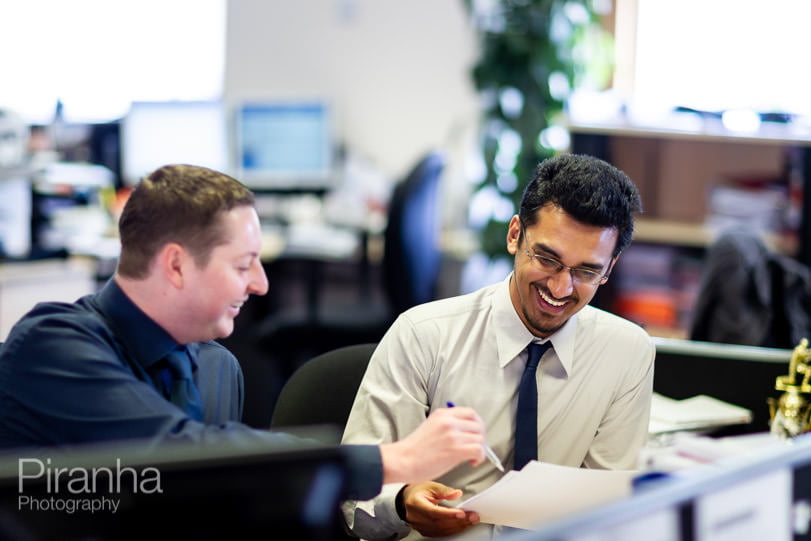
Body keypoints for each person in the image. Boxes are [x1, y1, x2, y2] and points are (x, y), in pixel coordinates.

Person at [0, 164, 489, 501]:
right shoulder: (51, 346)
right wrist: (393, 459)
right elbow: (178, 458)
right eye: (243, 265)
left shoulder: (216, 368)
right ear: (175, 265)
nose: (261, 284)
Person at [341, 153, 655, 539]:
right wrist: (402, 501)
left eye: (586, 271)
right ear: (514, 235)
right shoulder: (424, 335)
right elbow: (353, 495)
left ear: (609, 268)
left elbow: (609, 511)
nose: (560, 288)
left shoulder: (627, 352)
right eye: (547, 258)